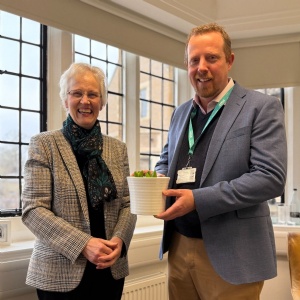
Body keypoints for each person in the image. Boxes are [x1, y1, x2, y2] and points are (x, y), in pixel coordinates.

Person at [154, 23, 287, 300]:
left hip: (233, 256)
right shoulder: (180, 113)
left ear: (229, 60)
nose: (201, 67)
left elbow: (270, 178)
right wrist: (155, 183)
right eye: (194, 60)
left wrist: (197, 200)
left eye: (211, 58)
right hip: (178, 246)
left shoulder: (261, 107)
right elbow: (166, 162)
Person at [21, 62, 137, 300]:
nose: (85, 101)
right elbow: (33, 209)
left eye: (93, 94)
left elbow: (128, 203)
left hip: (110, 271)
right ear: (65, 100)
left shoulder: (118, 149)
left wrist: (119, 240)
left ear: (102, 102)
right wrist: (84, 244)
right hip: (58, 275)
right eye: (77, 93)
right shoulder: (44, 144)